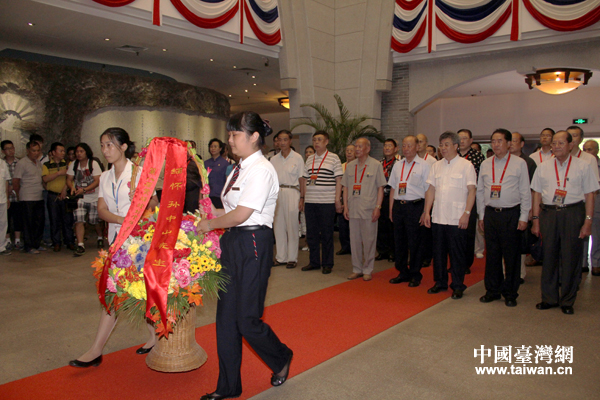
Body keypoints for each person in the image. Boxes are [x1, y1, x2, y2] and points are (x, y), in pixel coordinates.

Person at [197, 112, 293, 400]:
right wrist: (207, 214)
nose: (229, 140)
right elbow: (229, 209)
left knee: (247, 319)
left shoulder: (262, 170)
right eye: (228, 134)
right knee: (226, 318)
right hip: (233, 240)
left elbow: (242, 213)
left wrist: (211, 224)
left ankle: (281, 356)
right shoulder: (237, 169)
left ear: (253, 137)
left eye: (235, 134)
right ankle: (227, 387)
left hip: (252, 241)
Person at [69, 127, 158, 368]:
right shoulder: (106, 177)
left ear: (124, 147)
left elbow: (153, 206)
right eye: (103, 145)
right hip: (116, 241)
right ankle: (96, 350)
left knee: (143, 292)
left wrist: (142, 203)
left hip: (139, 243)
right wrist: (122, 220)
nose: (105, 150)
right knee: (112, 294)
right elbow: (102, 210)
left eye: (110, 145)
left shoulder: (139, 173)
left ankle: (154, 337)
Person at [531, 131, 599, 315]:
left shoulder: (583, 166)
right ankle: (549, 298)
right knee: (549, 257)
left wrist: (588, 222)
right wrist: (536, 220)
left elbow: (590, 195)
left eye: (561, 143)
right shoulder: (543, 167)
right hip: (549, 214)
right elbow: (536, 193)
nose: (557, 146)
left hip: (573, 213)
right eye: (554, 143)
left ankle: (567, 300)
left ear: (570, 145)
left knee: (570, 258)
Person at [477, 129, 531, 307]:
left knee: (511, 256)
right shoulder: (486, 163)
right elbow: (480, 191)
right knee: (492, 255)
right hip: (491, 214)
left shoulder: (519, 163)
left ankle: (510, 293)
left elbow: (525, 191)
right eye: (493, 141)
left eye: (500, 141)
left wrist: (524, 216)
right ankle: (492, 290)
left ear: (509, 143)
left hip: (511, 214)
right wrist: (481, 215)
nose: (496, 144)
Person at [421, 131, 477, 299]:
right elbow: (431, 190)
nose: (443, 148)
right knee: (438, 253)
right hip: (438, 217)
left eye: (446, 144)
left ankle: (458, 285)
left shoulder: (466, 165)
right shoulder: (436, 166)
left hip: (456, 218)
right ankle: (440, 282)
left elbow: (472, 191)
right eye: (441, 145)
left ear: (455, 146)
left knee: (457, 254)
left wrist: (467, 213)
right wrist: (426, 212)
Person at [388, 135, 431, 287]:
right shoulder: (398, 165)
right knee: (399, 242)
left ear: (417, 147)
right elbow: (393, 187)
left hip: (415, 206)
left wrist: (426, 211)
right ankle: (402, 271)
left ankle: (415, 274)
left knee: (415, 243)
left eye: (409, 145)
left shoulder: (424, 165)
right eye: (404, 146)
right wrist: (391, 209)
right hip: (399, 206)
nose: (406, 149)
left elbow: (428, 190)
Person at [342, 138, 386, 281]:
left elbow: (380, 188)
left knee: (369, 240)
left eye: (360, 146)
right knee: (354, 241)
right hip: (353, 208)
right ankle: (356, 268)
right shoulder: (350, 166)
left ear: (368, 148)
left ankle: (368, 268)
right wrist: (345, 207)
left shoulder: (375, 164)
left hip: (369, 208)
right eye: (356, 146)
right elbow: (346, 188)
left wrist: (378, 207)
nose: (357, 149)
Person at [299, 131, 343, 274]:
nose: (316, 142)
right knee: (311, 234)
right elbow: (305, 180)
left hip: (327, 202)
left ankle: (327, 263)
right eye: (314, 140)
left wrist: (337, 199)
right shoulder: (310, 159)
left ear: (326, 142)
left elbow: (339, 180)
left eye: (319, 140)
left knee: (326, 234)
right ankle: (314, 262)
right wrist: (303, 198)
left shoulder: (334, 158)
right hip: (311, 202)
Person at [566, 125, 600, 274]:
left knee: (589, 233)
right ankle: (579, 265)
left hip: (584, 204)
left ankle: (595, 262)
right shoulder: (560, 157)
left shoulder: (588, 159)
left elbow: (593, 187)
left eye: (575, 135)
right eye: (569, 135)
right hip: (566, 205)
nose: (572, 138)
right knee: (571, 240)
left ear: (580, 139)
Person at [270, 130, 304, 269]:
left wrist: (302, 197)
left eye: (285, 139)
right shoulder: (273, 159)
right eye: (280, 140)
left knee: (292, 226)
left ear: (290, 141)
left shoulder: (297, 158)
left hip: (292, 192)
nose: (282, 142)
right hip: (277, 193)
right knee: (278, 226)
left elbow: (302, 179)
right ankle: (281, 257)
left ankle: (292, 258)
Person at [66, 143, 103, 256]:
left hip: (93, 196)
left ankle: (100, 236)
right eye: (77, 152)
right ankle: (80, 244)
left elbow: (97, 181)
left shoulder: (93, 164)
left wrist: (85, 189)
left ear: (86, 152)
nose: (79, 154)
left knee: (95, 220)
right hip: (80, 197)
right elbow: (69, 179)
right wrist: (71, 187)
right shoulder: (73, 164)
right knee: (79, 220)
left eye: (81, 151)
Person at [510, 132, 537, 281]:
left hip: (521, 207)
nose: (512, 144)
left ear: (521, 144)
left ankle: (519, 274)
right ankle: (506, 272)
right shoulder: (502, 160)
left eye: (515, 141)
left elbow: (532, 189)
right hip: (506, 207)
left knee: (519, 243)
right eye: (510, 141)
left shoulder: (528, 162)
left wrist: (530, 210)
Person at [457, 129, 485, 274]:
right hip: (454, 199)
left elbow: (480, 180)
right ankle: (456, 262)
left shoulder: (478, 156)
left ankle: (466, 263)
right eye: (459, 138)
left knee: (468, 233)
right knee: (454, 233)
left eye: (465, 138)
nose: (461, 141)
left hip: (470, 198)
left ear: (471, 140)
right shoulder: (451, 155)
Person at [12, 141, 45, 254]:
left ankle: (36, 244)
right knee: (28, 223)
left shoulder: (39, 163)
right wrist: (18, 194)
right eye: (33, 151)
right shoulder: (22, 163)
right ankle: (28, 246)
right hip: (27, 197)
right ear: (27, 150)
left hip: (39, 196)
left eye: (38, 151)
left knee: (39, 222)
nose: (36, 153)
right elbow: (16, 181)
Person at [42, 142, 75, 252]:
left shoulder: (67, 164)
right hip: (52, 195)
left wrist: (64, 190)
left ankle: (69, 241)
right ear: (53, 152)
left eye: (63, 151)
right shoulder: (46, 165)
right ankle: (56, 242)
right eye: (60, 151)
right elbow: (45, 179)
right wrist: (58, 173)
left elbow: (71, 178)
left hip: (65, 194)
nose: (63, 153)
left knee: (68, 220)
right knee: (54, 220)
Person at [376, 139, 399, 262]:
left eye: (390, 146)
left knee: (392, 226)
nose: (387, 148)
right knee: (381, 226)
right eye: (385, 146)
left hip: (392, 197)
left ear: (396, 149)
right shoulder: (379, 163)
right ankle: (382, 251)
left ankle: (393, 252)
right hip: (380, 197)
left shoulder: (399, 164)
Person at [583, 139, 600, 277]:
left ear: (597, 150)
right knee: (582, 234)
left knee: (597, 236)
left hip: (598, 205)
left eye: (590, 149)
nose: (587, 152)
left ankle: (596, 263)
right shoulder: (582, 165)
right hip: (583, 204)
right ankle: (583, 263)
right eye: (585, 149)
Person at [2, 140, 22, 250]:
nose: (11, 150)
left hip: (17, 195)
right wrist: (7, 188)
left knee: (18, 218)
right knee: (6, 219)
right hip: (5, 197)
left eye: (12, 148)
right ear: (3, 151)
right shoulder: (2, 163)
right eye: (8, 148)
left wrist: (14, 187)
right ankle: (7, 240)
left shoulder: (19, 162)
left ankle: (18, 240)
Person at [336, 144, 355, 256]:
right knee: (342, 225)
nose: (349, 152)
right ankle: (345, 246)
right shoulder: (341, 166)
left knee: (353, 225)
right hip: (342, 197)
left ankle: (354, 247)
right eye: (347, 150)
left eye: (351, 150)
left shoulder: (358, 166)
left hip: (353, 197)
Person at [205, 138, 230, 209]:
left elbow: (226, 181)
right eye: (211, 146)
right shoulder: (206, 163)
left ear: (220, 149)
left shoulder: (225, 163)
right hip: (208, 195)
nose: (213, 148)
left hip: (219, 195)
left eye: (215, 146)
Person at [300, 146, 315, 251]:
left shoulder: (316, 164)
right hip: (305, 196)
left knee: (313, 223)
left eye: (310, 152)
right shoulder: (304, 165)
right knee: (304, 221)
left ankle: (313, 243)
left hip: (315, 197)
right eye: (306, 152)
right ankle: (306, 242)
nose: (308, 154)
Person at [0, 157, 11, 255]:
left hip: (2, 198)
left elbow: (6, 181)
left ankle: (1, 247)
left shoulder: (3, 163)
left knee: (3, 223)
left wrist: (7, 198)